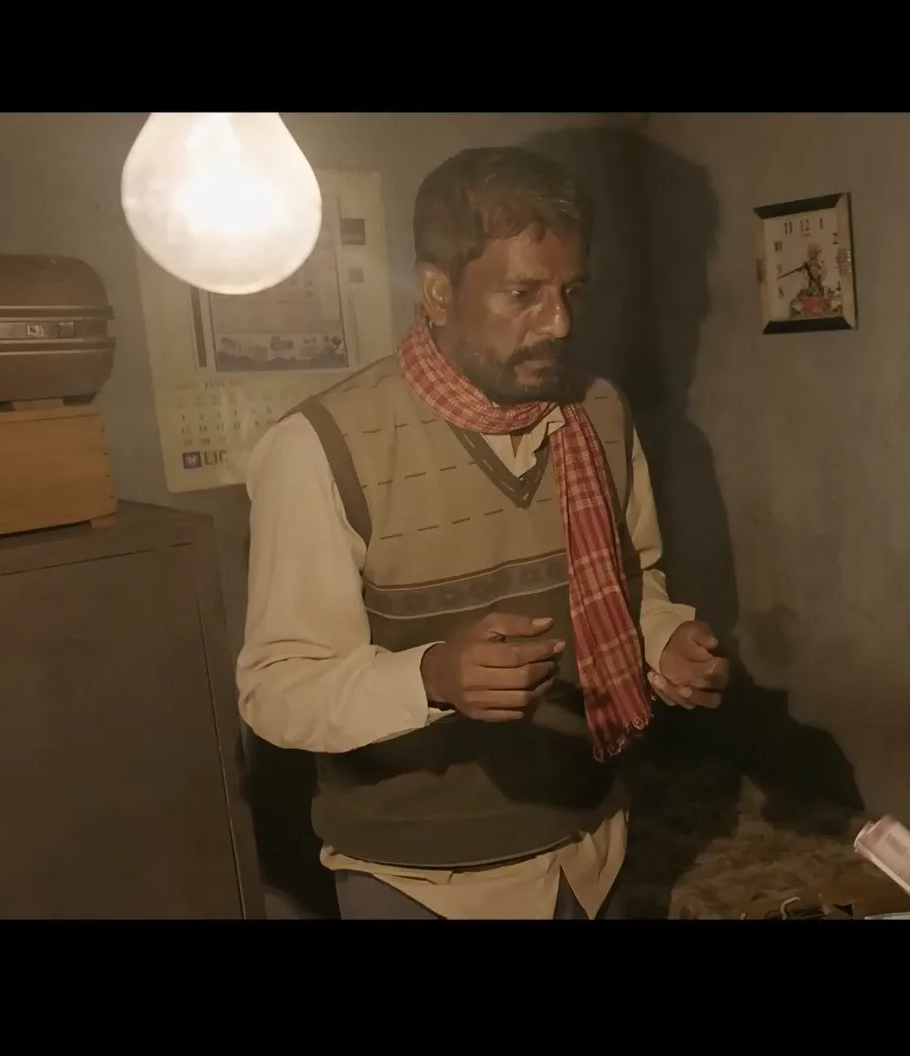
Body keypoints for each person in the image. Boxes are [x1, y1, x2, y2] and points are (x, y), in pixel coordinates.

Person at [236, 147, 728, 919]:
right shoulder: (319, 449)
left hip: (593, 850)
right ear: (438, 292)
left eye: (571, 292)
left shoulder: (600, 413)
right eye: (523, 294)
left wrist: (663, 641)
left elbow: (635, 585)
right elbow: (275, 689)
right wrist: (431, 677)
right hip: (420, 883)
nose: (559, 323)